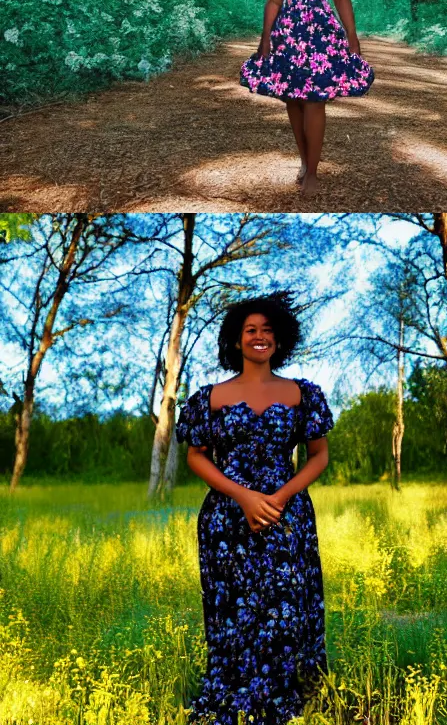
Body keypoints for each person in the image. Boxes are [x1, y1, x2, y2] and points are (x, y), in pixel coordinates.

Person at [174, 292, 335, 725]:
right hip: (226, 519)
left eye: (267, 330)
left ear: (279, 339)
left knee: (287, 603)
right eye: (250, 330)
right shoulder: (209, 397)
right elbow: (196, 456)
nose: (259, 337)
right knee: (233, 606)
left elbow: (318, 456)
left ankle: (284, 695)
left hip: (287, 517)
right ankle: (233, 692)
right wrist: (243, 496)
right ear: (236, 339)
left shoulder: (304, 394)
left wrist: (279, 498)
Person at [239, 0, 374, 195]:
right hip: (289, 33)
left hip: (323, 34)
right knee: (293, 99)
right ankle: (304, 160)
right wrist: (265, 37)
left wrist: (352, 35)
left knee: (315, 100)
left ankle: (312, 172)